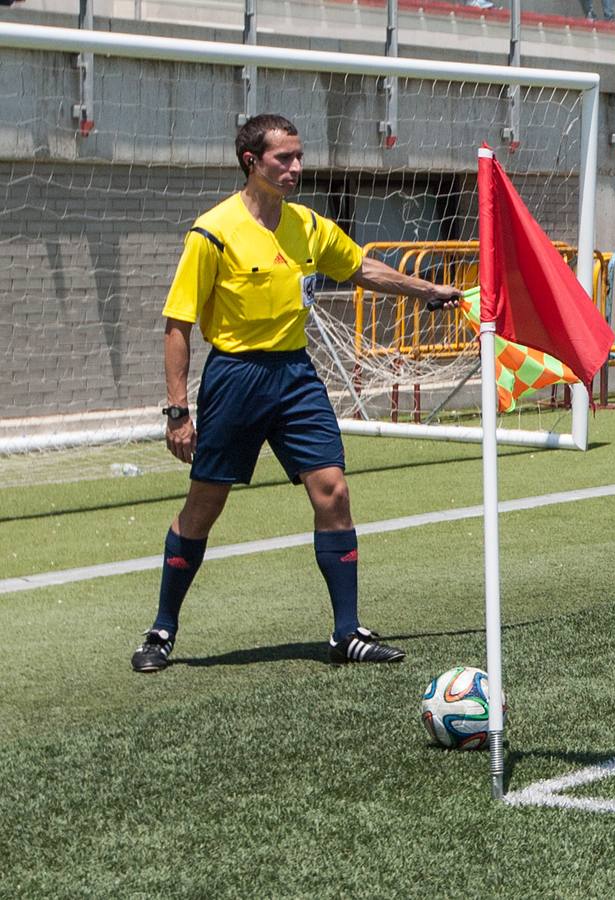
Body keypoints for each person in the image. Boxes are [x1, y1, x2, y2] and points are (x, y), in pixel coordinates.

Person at [130, 114, 463, 674]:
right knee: (204, 508)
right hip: (235, 378)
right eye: (284, 158)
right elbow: (177, 325)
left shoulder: (308, 225)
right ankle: (163, 627)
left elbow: (361, 268)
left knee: (333, 491)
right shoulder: (212, 231)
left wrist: (427, 289)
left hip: (295, 376)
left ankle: (346, 632)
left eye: (299, 157)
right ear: (251, 162)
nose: (296, 168)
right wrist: (177, 412)